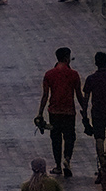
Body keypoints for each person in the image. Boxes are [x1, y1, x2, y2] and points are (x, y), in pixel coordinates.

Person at [37, 47, 87, 177]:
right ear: (66, 58)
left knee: (56, 138)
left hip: (54, 111)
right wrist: (85, 109)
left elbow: (45, 96)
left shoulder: (49, 74)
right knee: (70, 136)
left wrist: (40, 113)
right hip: (69, 111)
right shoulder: (74, 74)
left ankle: (58, 166)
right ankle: (67, 159)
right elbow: (79, 95)